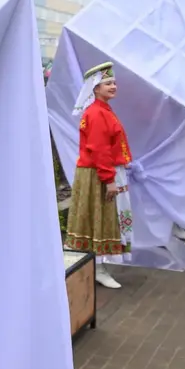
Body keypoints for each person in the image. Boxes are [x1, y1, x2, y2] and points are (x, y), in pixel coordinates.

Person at [64, 62, 132, 289]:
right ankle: (98, 268)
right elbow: (99, 148)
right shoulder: (96, 113)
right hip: (98, 174)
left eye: (114, 82)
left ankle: (98, 267)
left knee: (102, 218)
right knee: (101, 218)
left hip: (100, 171)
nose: (114, 86)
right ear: (95, 88)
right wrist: (109, 179)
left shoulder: (102, 110)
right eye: (108, 83)